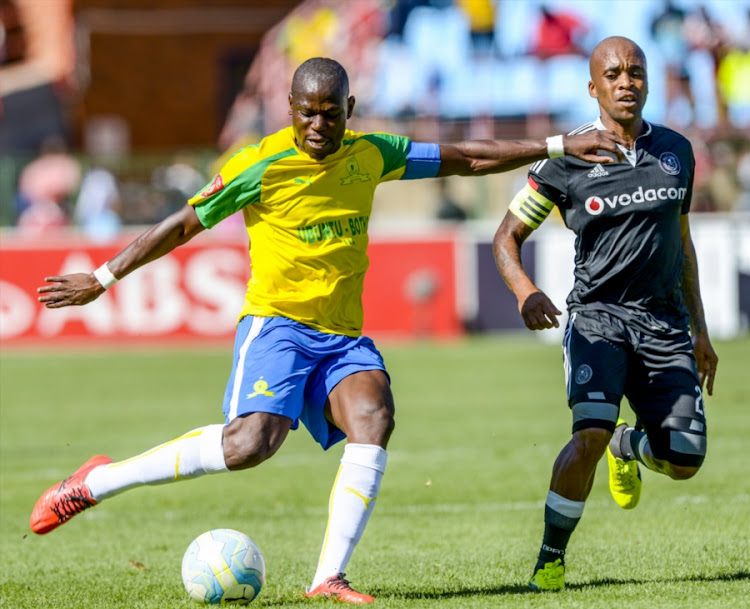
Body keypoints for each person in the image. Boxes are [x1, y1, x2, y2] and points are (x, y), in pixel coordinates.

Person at [30, 57, 624, 604]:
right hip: (278, 327)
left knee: (374, 418)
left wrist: (557, 144)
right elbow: (183, 223)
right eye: (307, 112)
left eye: (331, 112)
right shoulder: (257, 164)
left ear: (350, 108)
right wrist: (103, 277)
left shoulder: (373, 153)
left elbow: (465, 157)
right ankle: (97, 481)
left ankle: (327, 578)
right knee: (248, 446)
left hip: (341, 336)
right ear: (289, 107)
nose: (318, 124)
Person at [492, 37, 718, 591]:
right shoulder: (564, 156)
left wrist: (702, 331)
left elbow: (682, 243)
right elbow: (506, 237)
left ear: (647, 80)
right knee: (587, 432)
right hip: (598, 320)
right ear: (593, 88)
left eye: (635, 72)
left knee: (685, 459)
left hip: (664, 325)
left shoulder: (676, 151)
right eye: (613, 74)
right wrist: (524, 290)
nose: (626, 82)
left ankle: (630, 445)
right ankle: (550, 559)